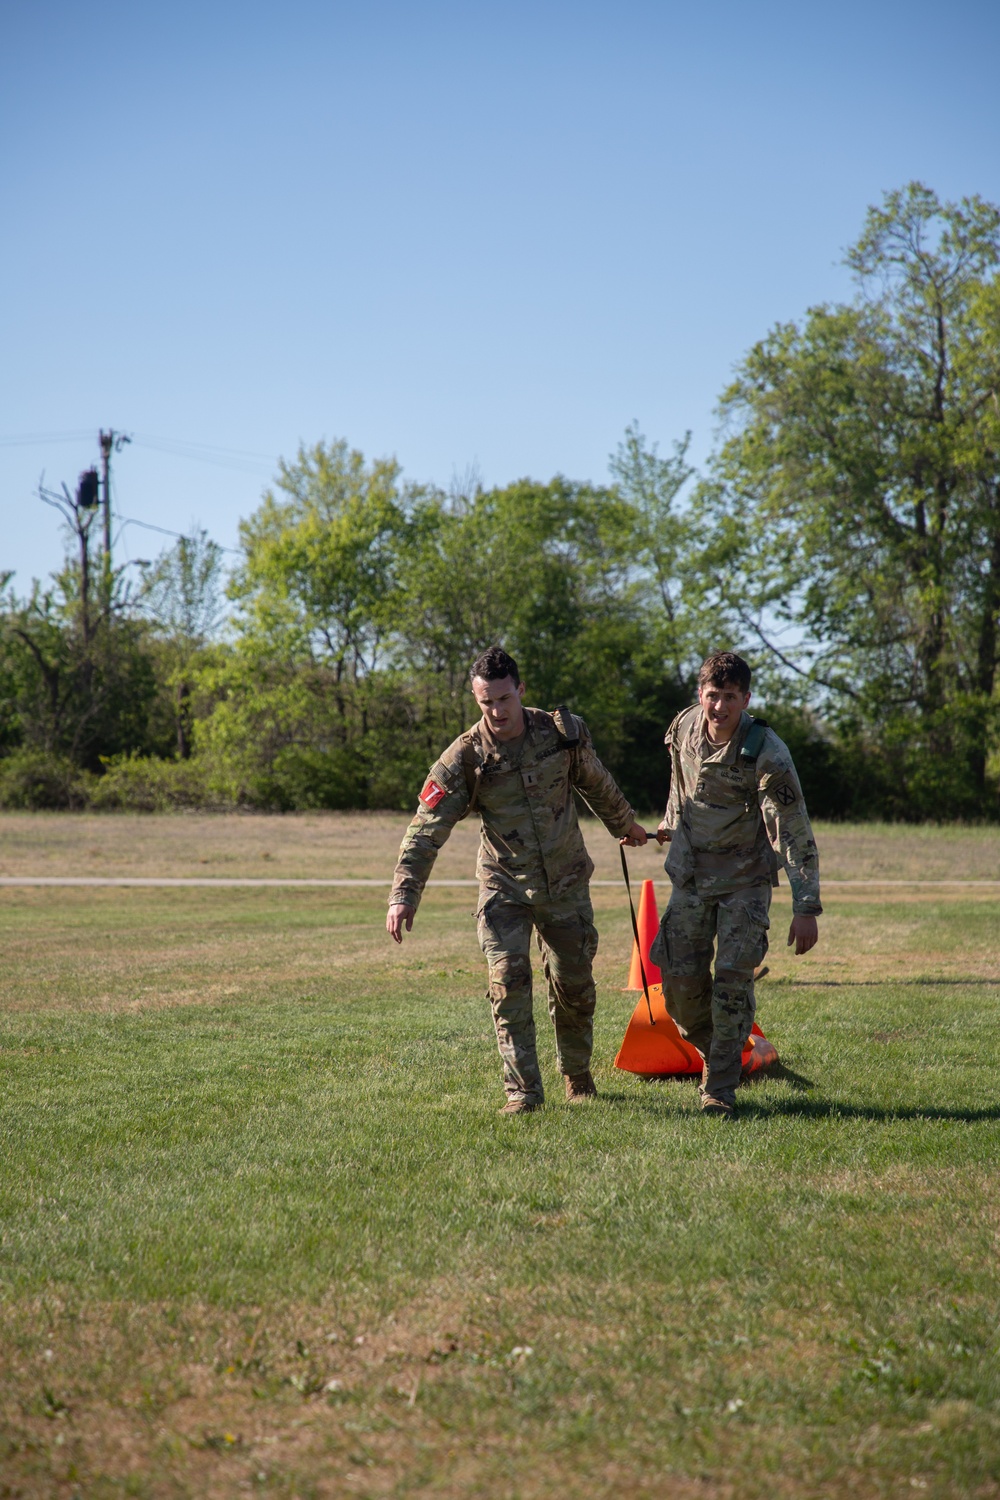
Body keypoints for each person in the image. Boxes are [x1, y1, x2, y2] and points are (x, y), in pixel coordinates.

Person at [386, 646, 649, 1115]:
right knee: (508, 983)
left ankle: (576, 1073)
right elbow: (425, 828)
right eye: (486, 702)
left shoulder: (560, 734)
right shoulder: (464, 756)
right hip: (504, 886)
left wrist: (625, 824)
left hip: (565, 881)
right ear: (474, 696)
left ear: (520, 690)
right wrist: (403, 895)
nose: (496, 711)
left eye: (504, 699)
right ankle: (523, 1093)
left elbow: (595, 780)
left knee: (574, 985)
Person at [650, 651, 821, 1119]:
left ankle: (720, 1088)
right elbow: (678, 781)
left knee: (731, 981)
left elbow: (794, 828)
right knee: (680, 991)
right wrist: (669, 823)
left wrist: (806, 906)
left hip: (744, 881)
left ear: (746, 698)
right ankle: (725, 1054)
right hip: (690, 877)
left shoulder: (767, 750)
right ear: (699, 694)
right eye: (712, 695)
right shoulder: (684, 727)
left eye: (730, 697)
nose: (719, 706)